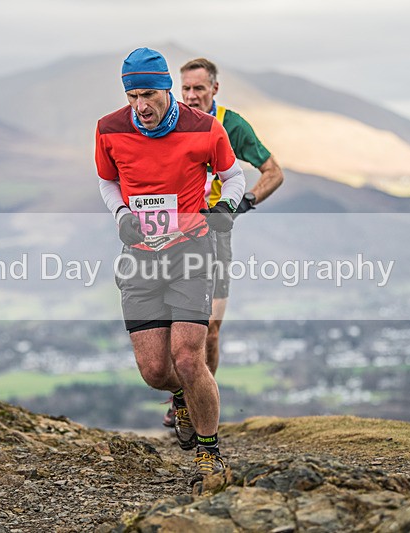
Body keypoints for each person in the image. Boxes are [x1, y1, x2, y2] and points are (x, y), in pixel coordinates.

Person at [96, 48, 246, 482]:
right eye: (131, 96)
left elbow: (233, 177)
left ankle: (209, 451)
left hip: (191, 253)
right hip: (141, 259)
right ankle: (181, 397)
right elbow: (108, 180)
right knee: (156, 371)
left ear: (167, 90)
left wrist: (226, 208)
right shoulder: (109, 129)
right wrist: (122, 215)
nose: (140, 105)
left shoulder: (204, 128)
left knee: (186, 357)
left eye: (147, 94)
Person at [161, 58, 285, 427]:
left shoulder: (231, 125)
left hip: (216, 237)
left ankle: (196, 407)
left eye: (199, 88)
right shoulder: (171, 123)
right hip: (172, 236)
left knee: (210, 330)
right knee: (172, 329)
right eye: (185, 89)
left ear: (215, 88)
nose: (191, 96)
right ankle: (181, 398)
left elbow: (274, 172)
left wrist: (244, 202)